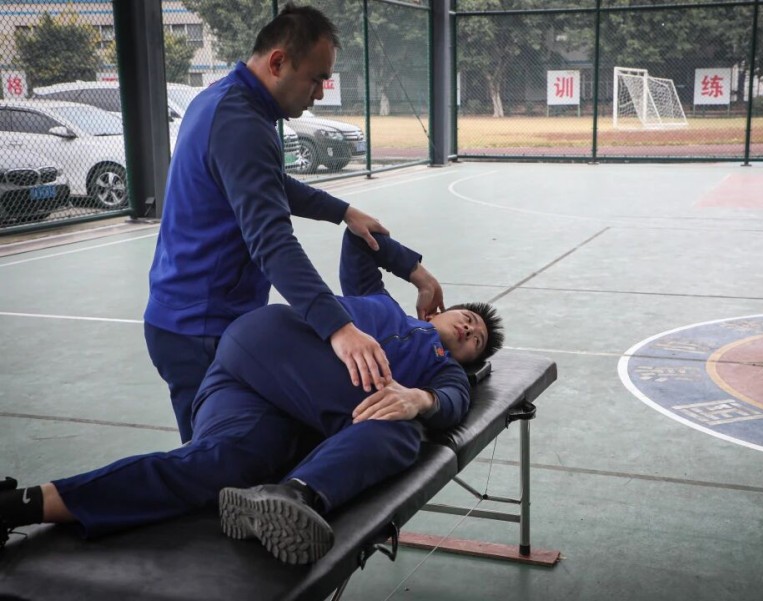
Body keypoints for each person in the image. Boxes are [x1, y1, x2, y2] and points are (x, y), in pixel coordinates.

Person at [1, 231, 504, 566]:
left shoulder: (443, 371)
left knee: (217, 464)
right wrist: (418, 273)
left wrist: (420, 399)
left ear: (468, 360)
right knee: (396, 431)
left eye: (476, 340)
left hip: (266, 404)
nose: (468, 329)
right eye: (467, 318)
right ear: (438, 309)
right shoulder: (381, 302)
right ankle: (298, 493)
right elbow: (360, 239)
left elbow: (452, 403)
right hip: (267, 346)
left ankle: (22, 504)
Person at [145, 2, 397, 444]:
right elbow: (271, 240)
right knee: (211, 463)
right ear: (278, 62)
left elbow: (267, 181)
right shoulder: (241, 122)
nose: (319, 93)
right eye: (316, 78)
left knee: (233, 451)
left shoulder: (224, 100)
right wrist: (338, 328)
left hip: (197, 317)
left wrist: (342, 211)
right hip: (199, 327)